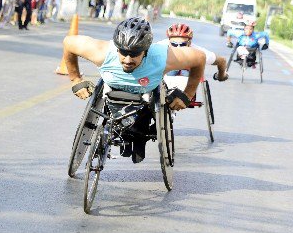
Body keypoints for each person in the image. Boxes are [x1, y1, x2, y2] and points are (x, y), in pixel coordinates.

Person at [63, 17, 207, 163]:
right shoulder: (102, 52)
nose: (127, 59)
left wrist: (188, 94)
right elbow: (68, 42)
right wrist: (76, 80)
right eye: (123, 53)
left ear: (146, 50)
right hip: (112, 94)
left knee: (141, 125)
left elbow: (200, 58)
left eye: (134, 54)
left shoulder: (162, 57)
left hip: (146, 98)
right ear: (117, 48)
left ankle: (139, 135)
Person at [164, 23, 228, 81]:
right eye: (174, 44)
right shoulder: (162, 46)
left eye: (182, 44)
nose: (178, 48)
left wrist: (221, 75)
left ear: (189, 42)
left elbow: (222, 61)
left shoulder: (198, 51)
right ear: (169, 42)